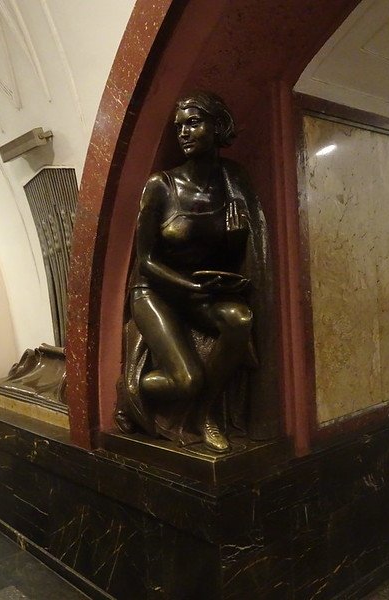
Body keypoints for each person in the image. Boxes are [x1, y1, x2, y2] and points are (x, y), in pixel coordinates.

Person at [115, 91, 266, 453]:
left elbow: (250, 251)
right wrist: (189, 286)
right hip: (156, 291)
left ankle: (206, 414)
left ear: (218, 126)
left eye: (193, 123)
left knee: (240, 319)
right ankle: (130, 391)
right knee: (186, 380)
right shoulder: (161, 185)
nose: (183, 132)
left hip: (204, 289)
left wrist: (238, 239)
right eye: (179, 126)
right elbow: (145, 261)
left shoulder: (233, 179)